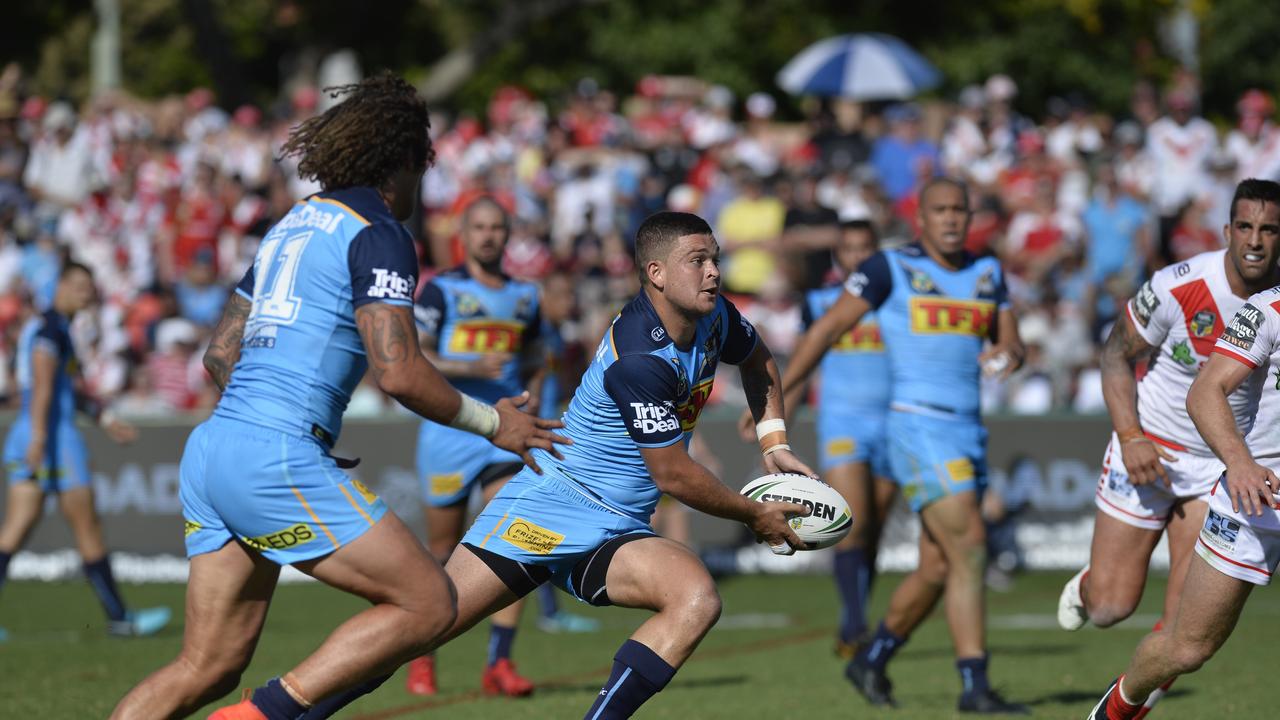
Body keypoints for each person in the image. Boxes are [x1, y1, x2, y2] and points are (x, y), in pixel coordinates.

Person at [109, 73, 565, 720]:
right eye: (421, 170)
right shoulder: (378, 230)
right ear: (402, 162)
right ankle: (261, 716)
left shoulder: (291, 225)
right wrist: (496, 424)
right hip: (273, 453)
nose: (421, 188)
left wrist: (296, 425)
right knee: (429, 603)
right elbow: (400, 371)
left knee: (204, 666)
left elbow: (219, 356)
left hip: (214, 449)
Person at [398, 211, 814, 720]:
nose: (714, 272)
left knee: (695, 598)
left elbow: (759, 359)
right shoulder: (640, 357)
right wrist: (754, 513)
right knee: (421, 625)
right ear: (656, 273)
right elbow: (673, 475)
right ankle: (286, 707)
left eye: (715, 260)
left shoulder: (717, 318)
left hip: (617, 524)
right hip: (555, 504)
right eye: (697, 261)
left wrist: (774, 441)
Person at [780, 178, 1027, 713]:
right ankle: (974, 686)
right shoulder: (886, 268)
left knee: (939, 568)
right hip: (918, 427)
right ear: (921, 217)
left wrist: (1007, 356)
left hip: (969, 429)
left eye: (960, 209)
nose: (952, 219)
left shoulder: (988, 271)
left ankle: (871, 659)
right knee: (971, 546)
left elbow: (1012, 342)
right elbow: (824, 332)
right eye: (940, 210)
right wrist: (776, 405)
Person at [1059, 179, 1280, 717]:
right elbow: (1116, 355)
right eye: (1245, 227)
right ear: (1227, 232)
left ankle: (1122, 709)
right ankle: (1092, 584)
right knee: (1111, 607)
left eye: (1269, 229)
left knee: (1184, 631)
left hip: (1223, 465)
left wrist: (1237, 461)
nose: (1255, 241)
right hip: (1153, 447)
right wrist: (1131, 437)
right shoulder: (1181, 285)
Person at [402, 196, 546, 698]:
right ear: (464, 233)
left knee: (518, 538)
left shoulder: (526, 296)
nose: (488, 236)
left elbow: (536, 356)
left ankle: (499, 662)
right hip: (449, 433)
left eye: (497, 228)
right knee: (441, 552)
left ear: (509, 235)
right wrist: (468, 368)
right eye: (479, 227)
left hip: (502, 437)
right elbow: (413, 356)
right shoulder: (441, 289)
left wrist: (533, 409)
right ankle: (420, 658)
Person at [740, 216, 895, 658]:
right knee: (855, 522)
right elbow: (805, 365)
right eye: (848, 248)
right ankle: (853, 624)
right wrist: (772, 415)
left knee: (875, 531)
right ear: (837, 255)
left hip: (895, 424)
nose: (856, 256)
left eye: (865, 248)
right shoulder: (822, 301)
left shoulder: (896, 301)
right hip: (844, 423)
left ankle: (856, 617)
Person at [0, 262, 166, 640]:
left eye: (88, 288)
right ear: (57, 285)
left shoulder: (50, 328)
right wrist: (42, 438)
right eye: (77, 286)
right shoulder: (52, 328)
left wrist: (103, 417)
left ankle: (121, 615)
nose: (84, 294)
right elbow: (44, 384)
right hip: (54, 439)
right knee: (87, 527)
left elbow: (58, 389)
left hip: (29, 432)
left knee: (13, 531)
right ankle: (120, 617)